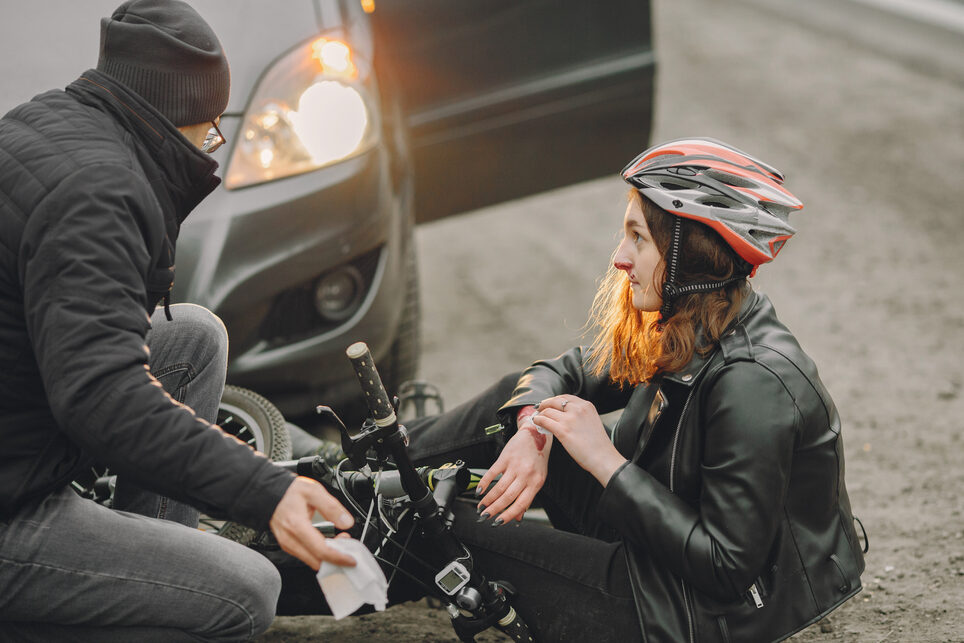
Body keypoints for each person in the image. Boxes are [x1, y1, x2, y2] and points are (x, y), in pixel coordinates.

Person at [403, 137, 867, 641]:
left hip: (691, 611)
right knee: (510, 407)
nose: (621, 258)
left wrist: (605, 461)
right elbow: (568, 371)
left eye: (638, 238)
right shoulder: (692, 326)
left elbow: (726, 568)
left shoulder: (752, 384)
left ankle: (351, 513)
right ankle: (370, 464)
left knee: (439, 525)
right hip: (654, 549)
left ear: (688, 254)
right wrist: (531, 430)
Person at [0, 1, 355, 639]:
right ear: (175, 118)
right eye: (210, 129)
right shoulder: (100, 192)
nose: (211, 145)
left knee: (193, 336)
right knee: (248, 590)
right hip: (11, 502)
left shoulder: (50, 118)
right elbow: (101, 398)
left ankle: (155, 574)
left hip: (18, 430)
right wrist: (265, 492)